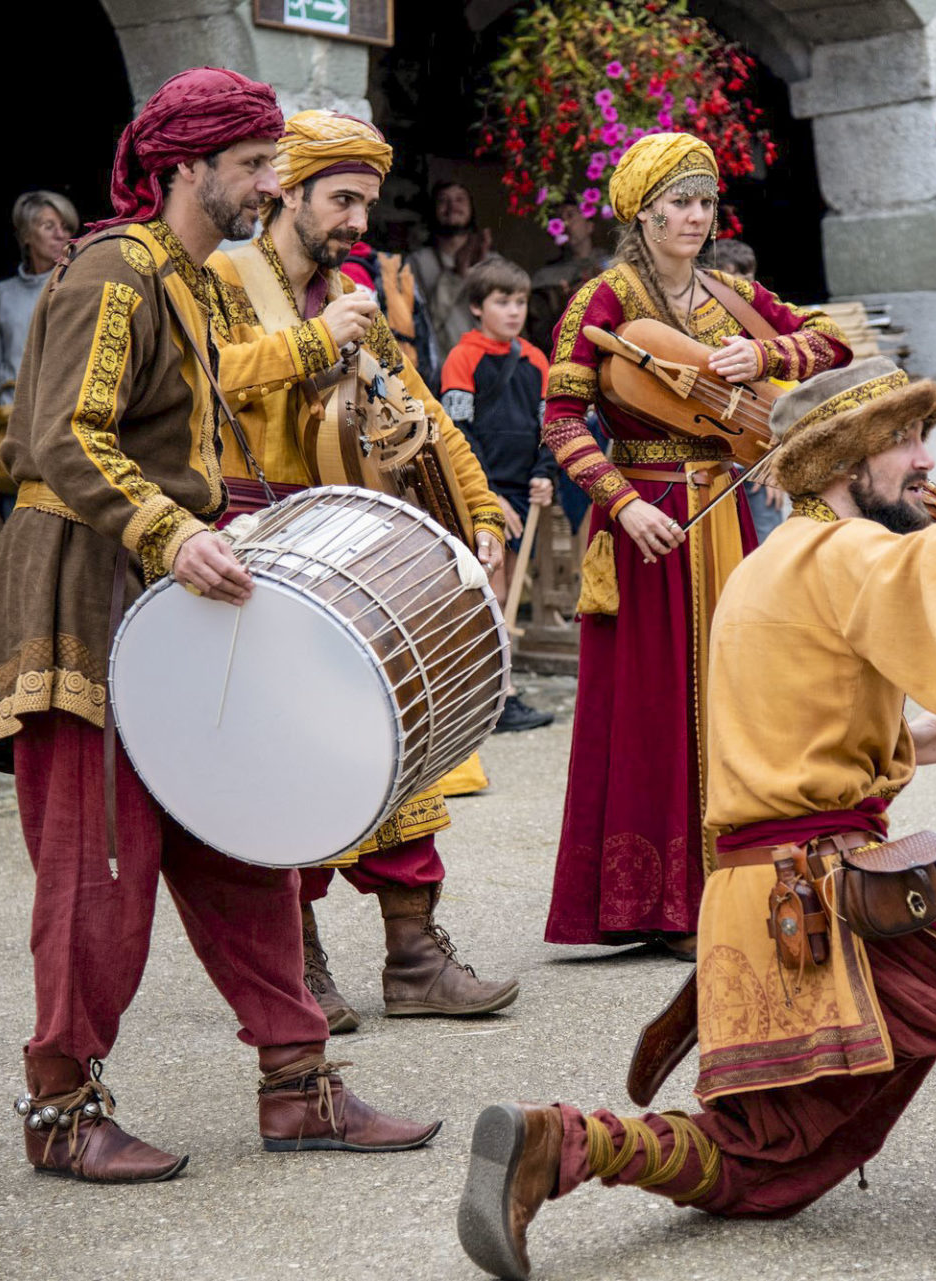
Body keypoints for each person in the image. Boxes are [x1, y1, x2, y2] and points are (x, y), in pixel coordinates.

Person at [455, 361, 936, 1278]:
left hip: (755, 907)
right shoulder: (844, 548)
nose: (922, 460)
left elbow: (782, 726)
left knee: (770, 1162)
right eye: (903, 442)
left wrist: (907, 738)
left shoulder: (769, 564)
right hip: (834, 896)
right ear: (844, 461)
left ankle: (567, 1144)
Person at [0, 69, 440, 1182]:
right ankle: (63, 1111)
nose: (272, 184)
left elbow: (184, 453)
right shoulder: (112, 270)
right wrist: (170, 535)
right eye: (254, 166)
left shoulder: (189, 278)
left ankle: (299, 1086)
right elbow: (63, 437)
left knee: (243, 851)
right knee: (102, 873)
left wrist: (251, 525)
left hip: (167, 607)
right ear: (188, 166)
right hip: (86, 603)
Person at [204, 108, 521, 1030]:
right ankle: (297, 969)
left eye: (366, 204)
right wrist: (313, 341)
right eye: (340, 200)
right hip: (255, 537)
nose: (356, 222)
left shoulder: (350, 292)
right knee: (285, 757)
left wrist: (483, 509)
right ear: (284, 191)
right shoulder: (222, 279)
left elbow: (415, 405)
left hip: (355, 541)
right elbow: (198, 379)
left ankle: (415, 956)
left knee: (395, 735)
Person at [540, 132, 851, 958]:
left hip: (725, 513)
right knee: (649, 706)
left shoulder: (734, 293)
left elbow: (834, 342)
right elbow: (561, 416)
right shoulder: (600, 299)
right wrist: (616, 499)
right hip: (643, 526)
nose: (695, 216)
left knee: (734, 693)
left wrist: (770, 352)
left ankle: (728, 883)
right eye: (679, 201)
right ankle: (655, 903)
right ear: (641, 214)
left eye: (706, 201)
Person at [439, 255, 559, 733]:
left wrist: (546, 473)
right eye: (501, 302)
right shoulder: (462, 358)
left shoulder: (536, 361)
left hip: (523, 487)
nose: (514, 312)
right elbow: (458, 430)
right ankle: (492, 695)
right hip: (481, 489)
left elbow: (550, 426)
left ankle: (499, 692)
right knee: (492, 590)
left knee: (506, 588)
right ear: (475, 307)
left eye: (520, 302)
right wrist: (488, 494)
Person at [0, 191, 78, 518]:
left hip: (61, 426)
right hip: (11, 431)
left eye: (65, 225)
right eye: (49, 226)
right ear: (26, 236)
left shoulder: (76, 284)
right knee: (14, 525)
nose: (61, 234)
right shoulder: (1, 296)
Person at [700, 237, 786, 538]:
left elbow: (783, 398)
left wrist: (775, 457)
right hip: (706, 449)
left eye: (749, 279)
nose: (744, 290)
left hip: (755, 450)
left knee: (766, 542)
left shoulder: (762, 330)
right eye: (733, 280)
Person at [339, 236, 440, 387]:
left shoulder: (350, 272)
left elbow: (359, 343)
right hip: (413, 373)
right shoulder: (384, 262)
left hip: (384, 383)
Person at [412, 180, 490, 359]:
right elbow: (421, 326)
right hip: (439, 376)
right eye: (443, 200)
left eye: (460, 200)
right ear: (432, 210)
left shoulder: (493, 262)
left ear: (472, 209)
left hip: (489, 375)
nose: (452, 206)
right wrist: (456, 274)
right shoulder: (417, 263)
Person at [527, 201, 611, 360]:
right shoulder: (546, 278)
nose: (565, 223)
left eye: (570, 215)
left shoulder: (614, 265)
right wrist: (561, 306)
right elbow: (539, 338)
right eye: (558, 219)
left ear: (590, 225)